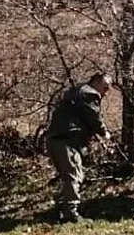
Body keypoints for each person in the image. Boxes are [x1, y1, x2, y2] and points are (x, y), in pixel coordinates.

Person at [45, 73, 113, 223]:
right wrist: (104, 133)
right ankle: (70, 214)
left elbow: (80, 116)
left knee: (67, 176)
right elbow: (94, 117)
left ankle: (60, 210)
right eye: (105, 87)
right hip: (66, 140)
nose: (106, 92)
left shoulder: (75, 91)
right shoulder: (90, 93)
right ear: (95, 82)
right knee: (73, 174)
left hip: (54, 139)